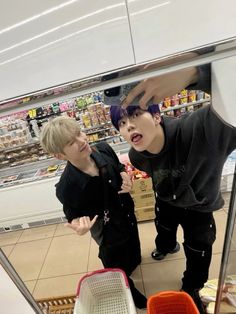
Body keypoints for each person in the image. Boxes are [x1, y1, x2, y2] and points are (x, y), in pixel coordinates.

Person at [109, 99, 236, 313]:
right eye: (121, 123)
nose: (128, 126)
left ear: (157, 116)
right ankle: (166, 246)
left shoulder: (197, 130)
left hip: (200, 206)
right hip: (166, 199)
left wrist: (194, 74)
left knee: (199, 248)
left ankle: (192, 286)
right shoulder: (136, 155)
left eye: (135, 115)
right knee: (164, 227)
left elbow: (229, 105)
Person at [40, 116, 147, 309]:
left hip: (126, 212)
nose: (82, 140)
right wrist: (79, 227)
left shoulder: (103, 149)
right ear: (59, 155)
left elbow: (119, 166)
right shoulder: (67, 187)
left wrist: (124, 174)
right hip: (107, 230)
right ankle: (129, 289)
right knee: (115, 262)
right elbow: (73, 216)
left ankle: (133, 262)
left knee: (133, 245)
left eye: (79, 133)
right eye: (71, 142)